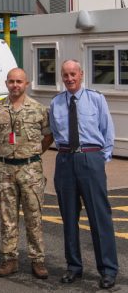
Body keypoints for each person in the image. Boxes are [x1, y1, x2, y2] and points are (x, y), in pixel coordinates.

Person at [50, 59, 118, 289]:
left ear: (81, 74)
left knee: (99, 217)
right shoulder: (56, 103)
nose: (69, 78)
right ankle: (73, 267)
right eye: (65, 75)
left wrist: (100, 160)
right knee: (69, 217)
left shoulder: (96, 99)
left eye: (73, 74)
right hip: (65, 161)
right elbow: (55, 133)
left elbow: (107, 131)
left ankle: (108, 269)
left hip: (90, 158)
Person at [0, 68, 53, 279]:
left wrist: (31, 154)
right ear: (6, 83)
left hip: (31, 170)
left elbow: (48, 137)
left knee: (34, 217)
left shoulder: (39, 110)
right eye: (11, 81)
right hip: (5, 170)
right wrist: (6, 152)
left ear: (26, 84)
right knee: (7, 217)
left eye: (19, 81)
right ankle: (9, 259)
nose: (15, 85)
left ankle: (37, 260)